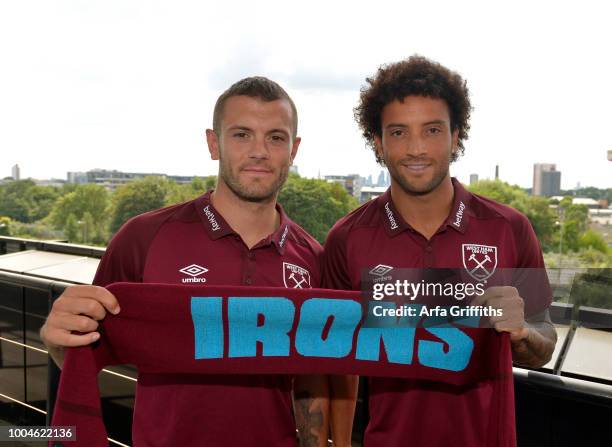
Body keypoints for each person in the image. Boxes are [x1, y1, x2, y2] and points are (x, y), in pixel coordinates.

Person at [40, 77, 330, 447]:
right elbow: (81, 356)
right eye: (242, 134)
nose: (259, 151)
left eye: (276, 137)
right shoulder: (143, 238)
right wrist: (57, 339)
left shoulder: (313, 259)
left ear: (294, 149)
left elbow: (311, 381)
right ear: (214, 143)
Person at [323, 56, 557, 446]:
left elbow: (544, 341)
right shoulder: (347, 238)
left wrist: (520, 333)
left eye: (432, 130)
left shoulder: (509, 228)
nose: (416, 148)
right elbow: (331, 361)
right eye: (398, 133)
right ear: (378, 143)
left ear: (456, 135)